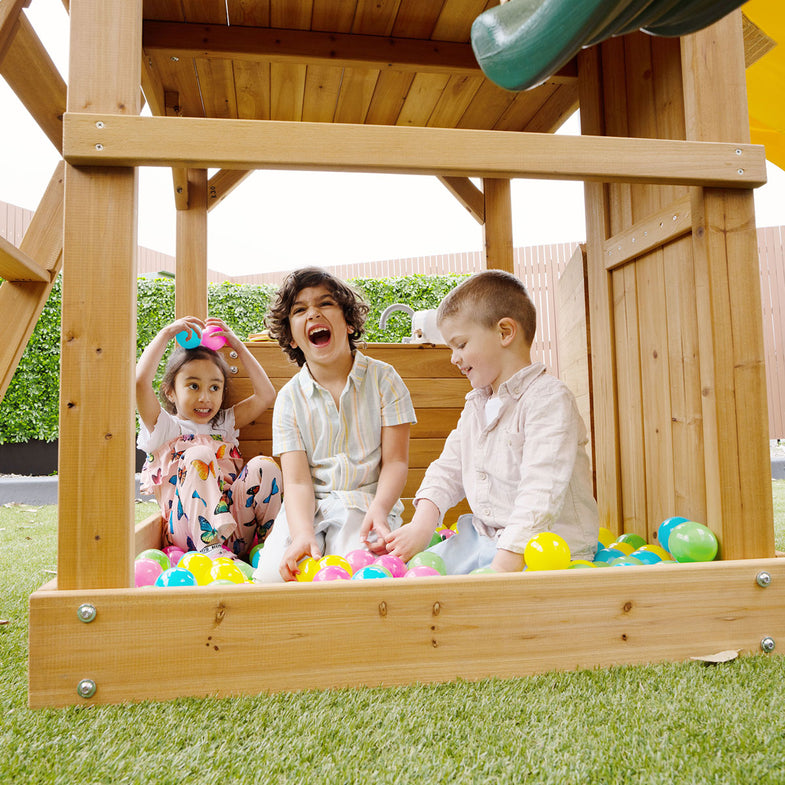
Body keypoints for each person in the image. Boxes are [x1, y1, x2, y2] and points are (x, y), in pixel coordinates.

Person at [384, 270, 598, 573]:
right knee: (414, 579)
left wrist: (505, 564)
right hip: (485, 539)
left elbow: (542, 489)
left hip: (548, 548)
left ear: (504, 333)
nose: (453, 358)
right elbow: (448, 469)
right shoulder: (476, 406)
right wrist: (421, 527)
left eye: (460, 344)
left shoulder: (548, 399)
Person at [253, 267, 416, 582]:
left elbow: (395, 461)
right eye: (300, 310)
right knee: (273, 578)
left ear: (349, 322)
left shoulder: (385, 380)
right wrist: (302, 534)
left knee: (350, 573)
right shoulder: (289, 399)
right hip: (308, 509)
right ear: (291, 337)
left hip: (368, 504)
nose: (313, 313)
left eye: (325, 304)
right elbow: (298, 482)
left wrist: (380, 510)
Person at [136, 316, 282, 559]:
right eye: (193, 386)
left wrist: (236, 344)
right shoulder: (166, 428)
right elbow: (141, 382)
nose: (205, 397)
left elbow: (266, 395)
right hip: (189, 535)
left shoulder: (223, 425)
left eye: (214, 387)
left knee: (263, 466)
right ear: (170, 392)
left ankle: (274, 545)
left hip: (236, 534)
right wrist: (166, 334)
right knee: (199, 455)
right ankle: (212, 550)